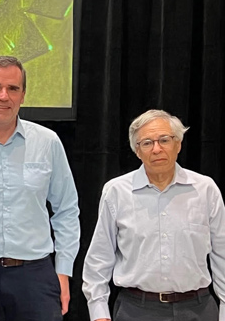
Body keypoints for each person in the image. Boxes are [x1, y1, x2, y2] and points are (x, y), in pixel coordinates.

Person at [0, 55, 80, 321]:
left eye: (13, 89)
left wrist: (63, 271)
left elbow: (67, 210)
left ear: (23, 95)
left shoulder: (47, 142)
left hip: (35, 278)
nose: (3, 96)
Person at [82, 110, 225, 321]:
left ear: (178, 144)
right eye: (147, 143)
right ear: (137, 151)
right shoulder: (117, 191)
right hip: (136, 310)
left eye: (164, 140)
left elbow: (222, 255)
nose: (157, 149)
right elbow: (99, 257)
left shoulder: (205, 189)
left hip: (198, 309)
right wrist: (99, 313)